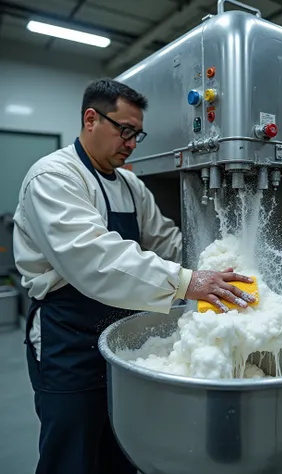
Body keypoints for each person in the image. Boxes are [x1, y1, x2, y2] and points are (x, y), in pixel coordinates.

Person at [13, 78, 256, 474]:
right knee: (71, 451)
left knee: (122, 446)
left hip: (121, 336)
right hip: (68, 339)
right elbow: (94, 257)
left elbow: (166, 242)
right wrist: (188, 283)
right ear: (91, 119)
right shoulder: (54, 178)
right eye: (124, 130)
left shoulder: (129, 185)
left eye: (137, 134)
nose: (131, 143)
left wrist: (223, 265)